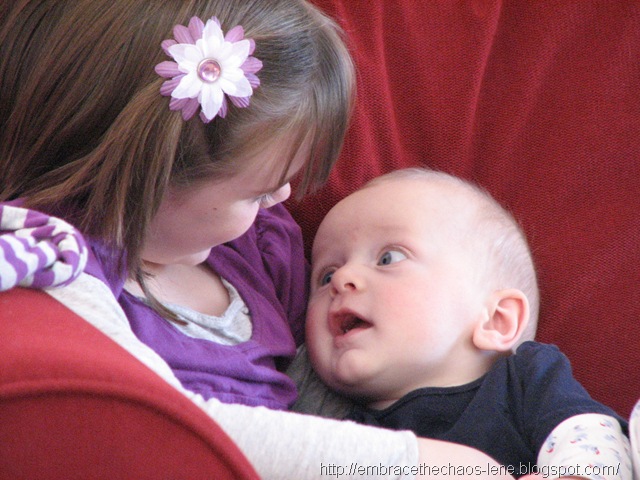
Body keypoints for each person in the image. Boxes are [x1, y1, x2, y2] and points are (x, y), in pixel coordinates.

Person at [0, 2, 520, 478]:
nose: (282, 199)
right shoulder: (55, 256)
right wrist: (428, 464)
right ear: (150, 178)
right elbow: (162, 423)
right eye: (257, 193)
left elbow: (327, 396)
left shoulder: (261, 251)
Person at [304, 168, 633, 480]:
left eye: (388, 258)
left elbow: (592, 437)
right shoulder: (332, 424)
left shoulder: (524, 381)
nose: (343, 279)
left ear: (496, 320)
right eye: (326, 276)